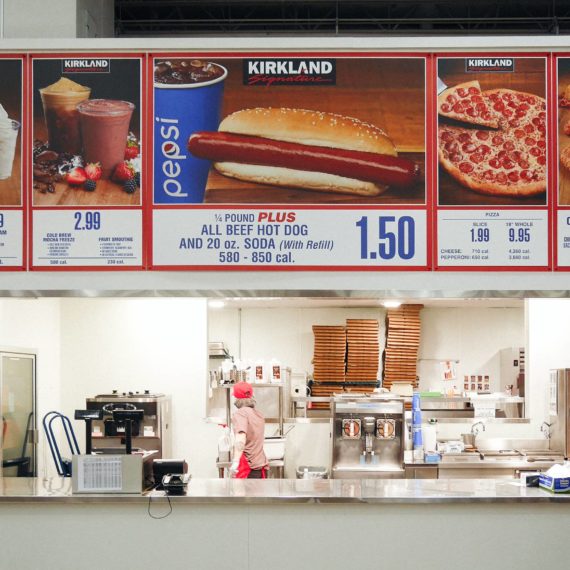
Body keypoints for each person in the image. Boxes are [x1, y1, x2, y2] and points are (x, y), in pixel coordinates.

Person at [230, 382, 268, 479]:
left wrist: (235, 462)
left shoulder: (240, 413)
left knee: (244, 494)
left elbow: (241, 438)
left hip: (248, 469)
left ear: (237, 399)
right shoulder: (258, 414)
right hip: (259, 468)